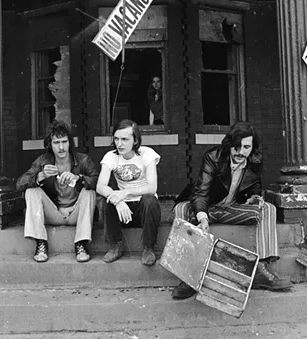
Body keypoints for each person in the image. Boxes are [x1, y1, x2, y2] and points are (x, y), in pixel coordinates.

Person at [171, 121, 292, 299]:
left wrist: (254, 197)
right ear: (229, 145)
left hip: (232, 209)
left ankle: (261, 270)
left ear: (252, 147)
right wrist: (202, 217)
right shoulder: (213, 157)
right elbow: (201, 192)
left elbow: (255, 184)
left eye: (246, 147)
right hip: (208, 208)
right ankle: (189, 277)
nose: (240, 152)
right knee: (181, 209)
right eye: (236, 147)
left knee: (268, 209)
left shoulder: (255, 160)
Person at [16, 120, 99, 263]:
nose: (61, 147)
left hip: (76, 213)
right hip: (54, 213)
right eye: (56, 143)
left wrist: (78, 179)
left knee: (89, 192)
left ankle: (81, 243)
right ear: (49, 144)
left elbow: (99, 182)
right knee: (31, 191)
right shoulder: (43, 161)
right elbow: (20, 184)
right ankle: (41, 242)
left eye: (64, 142)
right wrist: (40, 176)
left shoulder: (83, 160)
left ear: (70, 143)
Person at [96, 119, 161, 266]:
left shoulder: (147, 154)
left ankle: (148, 248)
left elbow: (152, 187)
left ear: (135, 140)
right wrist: (117, 200)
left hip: (144, 210)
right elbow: (100, 186)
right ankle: (116, 245)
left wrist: (124, 192)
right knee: (106, 200)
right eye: (116, 139)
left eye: (124, 139)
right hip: (123, 211)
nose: (119, 144)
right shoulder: (111, 157)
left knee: (149, 199)